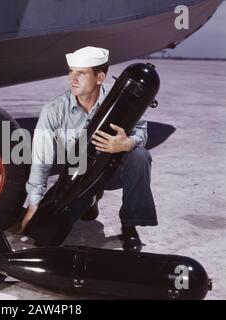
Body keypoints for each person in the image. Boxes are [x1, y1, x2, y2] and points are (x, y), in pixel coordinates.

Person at [20, 46, 158, 252]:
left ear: (100, 77)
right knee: (46, 239)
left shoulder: (124, 100)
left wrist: (126, 143)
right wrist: (33, 204)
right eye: (71, 72)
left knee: (139, 156)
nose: (72, 79)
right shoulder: (54, 110)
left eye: (81, 73)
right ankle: (89, 201)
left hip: (113, 168)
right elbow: (41, 159)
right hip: (78, 173)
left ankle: (129, 226)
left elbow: (142, 132)